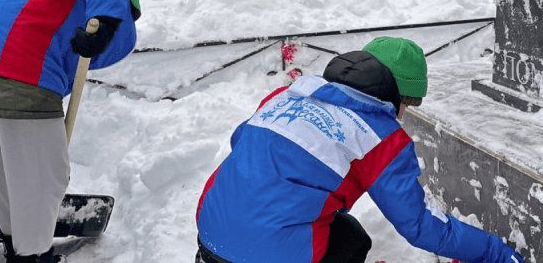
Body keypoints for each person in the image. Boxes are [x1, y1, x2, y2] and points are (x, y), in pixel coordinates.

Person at [196, 37, 525, 263]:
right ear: (396, 98)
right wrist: (491, 252)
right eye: (407, 105)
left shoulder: (287, 95)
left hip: (210, 234)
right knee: (352, 240)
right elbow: (418, 225)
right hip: (267, 253)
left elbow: (240, 142)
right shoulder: (379, 137)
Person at [0, 0, 151, 262]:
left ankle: (14, 242)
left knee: (7, 170)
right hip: (19, 70)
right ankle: (32, 255)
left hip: (9, 69)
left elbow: (95, 52)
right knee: (41, 179)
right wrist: (109, 16)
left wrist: (114, 18)